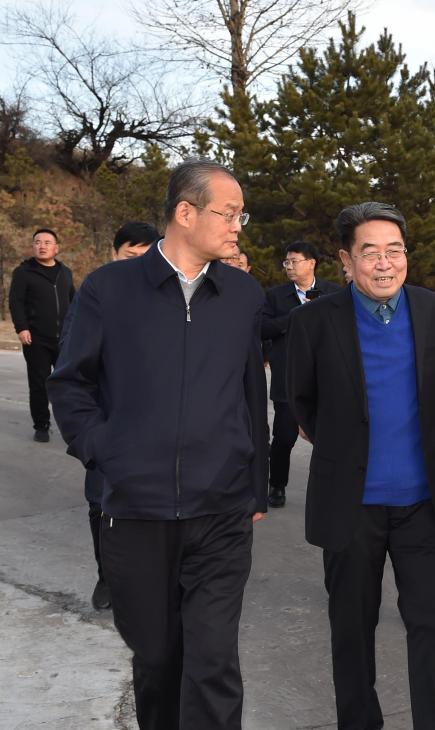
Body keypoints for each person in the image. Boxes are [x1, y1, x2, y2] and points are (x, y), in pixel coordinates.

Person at [48, 159, 269, 730]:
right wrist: (105, 451)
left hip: (221, 510)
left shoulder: (243, 294)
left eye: (241, 215)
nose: (238, 226)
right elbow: (70, 383)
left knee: (213, 661)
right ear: (185, 213)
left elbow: (250, 392)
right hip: (137, 512)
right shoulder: (109, 289)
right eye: (228, 213)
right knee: (158, 661)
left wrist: (254, 480)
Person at [287, 202, 435, 729]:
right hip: (350, 507)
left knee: (434, 626)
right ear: (346, 260)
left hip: (423, 506)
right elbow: (301, 402)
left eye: (395, 250)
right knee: (352, 631)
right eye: (370, 252)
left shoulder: (434, 311)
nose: (385, 263)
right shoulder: (313, 321)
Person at [67, 221, 160, 611]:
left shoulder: (172, 299)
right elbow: (71, 369)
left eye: (147, 257)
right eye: (129, 255)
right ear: (113, 254)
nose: (138, 265)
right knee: (101, 505)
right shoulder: (96, 295)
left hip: (158, 431)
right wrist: (90, 435)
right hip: (109, 425)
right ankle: (107, 576)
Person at [261, 241, 342, 507]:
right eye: (286, 262)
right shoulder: (275, 296)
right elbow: (263, 328)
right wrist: (298, 314)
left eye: (294, 261)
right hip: (288, 375)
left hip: (325, 378)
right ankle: (277, 484)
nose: (289, 267)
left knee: (329, 437)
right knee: (284, 436)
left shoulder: (332, 292)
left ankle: (333, 486)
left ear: (311, 263)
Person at [8, 228, 75, 442]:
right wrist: (22, 328)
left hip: (64, 339)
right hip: (36, 338)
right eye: (37, 242)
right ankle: (42, 425)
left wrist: (76, 329)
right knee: (39, 384)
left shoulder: (65, 272)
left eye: (47, 242)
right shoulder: (24, 272)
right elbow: (16, 302)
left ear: (56, 248)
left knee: (68, 383)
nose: (42, 246)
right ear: (33, 246)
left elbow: (74, 303)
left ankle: (71, 424)